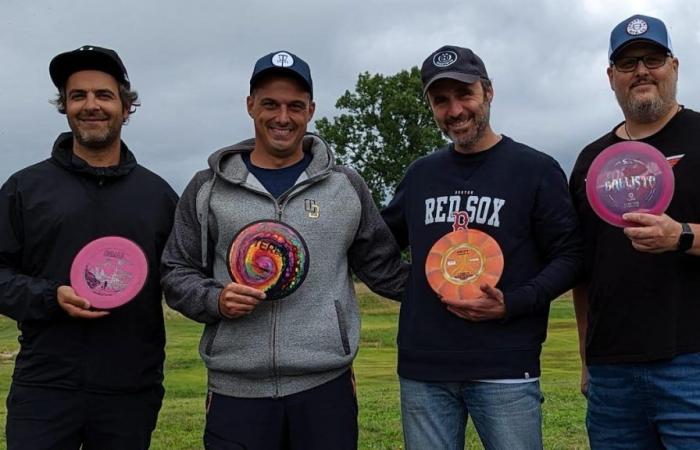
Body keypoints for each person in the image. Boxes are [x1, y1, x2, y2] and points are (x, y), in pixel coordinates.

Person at [161, 50, 407, 450]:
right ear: (250, 105)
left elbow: (384, 269)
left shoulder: (345, 186)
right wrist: (216, 298)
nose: (282, 117)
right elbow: (176, 272)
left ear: (310, 110)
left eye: (295, 106)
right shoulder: (208, 188)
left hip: (324, 387)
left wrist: (450, 283)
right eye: (270, 104)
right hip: (235, 390)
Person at [381, 45, 581, 450]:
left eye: (464, 95)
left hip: (505, 365)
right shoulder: (421, 175)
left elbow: (572, 255)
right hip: (424, 369)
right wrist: (414, 288)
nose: (454, 110)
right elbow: (378, 244)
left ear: (488, 92)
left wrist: (515, 301)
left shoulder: (535, 169)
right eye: (441, 100)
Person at [0, 45, 178, 449]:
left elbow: (183, 278)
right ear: (64, 106)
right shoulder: (25, 189)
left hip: (130, 389)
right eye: (78, 96)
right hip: (45, 387)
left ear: (126, 107)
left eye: (104, 95)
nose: (91, 105)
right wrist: (50, 295)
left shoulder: (159, 196)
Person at [570, 14, 700, 449]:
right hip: (612, 376)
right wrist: (588, 359)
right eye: (627, 63)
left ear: (674, 66)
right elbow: (584, 272)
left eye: (653, 58)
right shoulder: (591, 162)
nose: (641, 70)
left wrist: (682, 235)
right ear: (611, 77)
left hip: (691, 365)